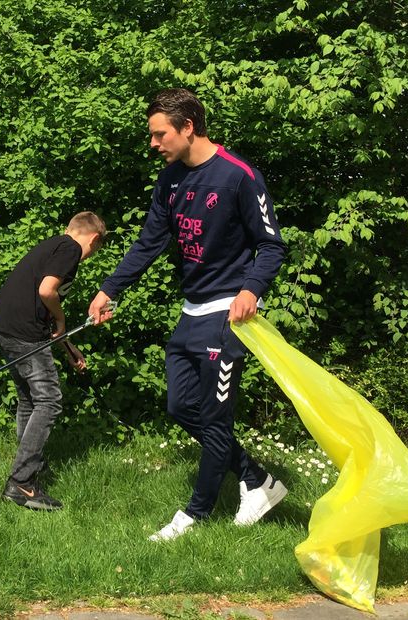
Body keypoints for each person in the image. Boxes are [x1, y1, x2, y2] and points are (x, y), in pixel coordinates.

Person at [87, 88, 288, 540]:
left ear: (188, 127)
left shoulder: (239, 176)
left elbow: (271, 246)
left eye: (160, 135)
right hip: (191, 311)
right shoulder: (170, 181)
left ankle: (195, 515)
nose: (154, 144)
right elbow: (149, 243)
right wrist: (109, 290)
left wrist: (251, 288)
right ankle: (256, 481)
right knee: (181, 407)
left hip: (228, 315)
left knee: (216, 420)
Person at [0, 212, 107, 511]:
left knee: (29, 400)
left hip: (6, 328)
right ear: (94, 239)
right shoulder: (71, 249)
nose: (90, 256)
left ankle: (28, 470)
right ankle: (21, 483)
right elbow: (47, 292)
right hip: (23, 332)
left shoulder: (52, 245)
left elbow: (42, 312)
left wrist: (67, 346)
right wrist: (62, 316)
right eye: (95, 250)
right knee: (49, 400)